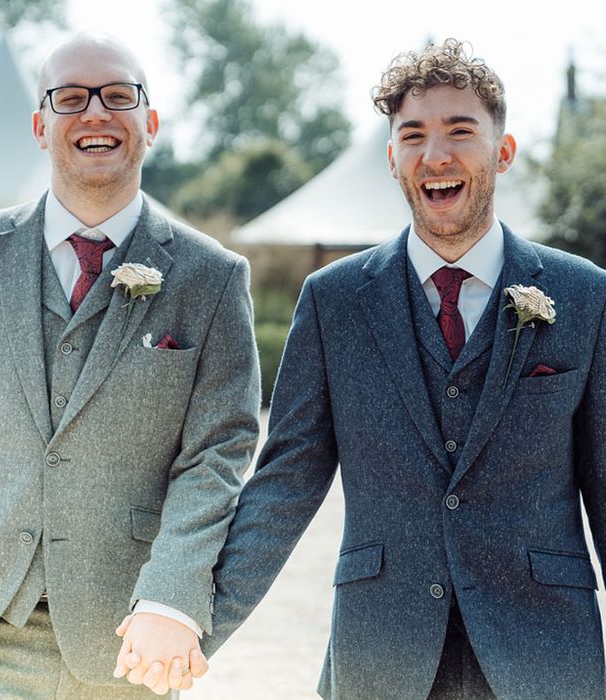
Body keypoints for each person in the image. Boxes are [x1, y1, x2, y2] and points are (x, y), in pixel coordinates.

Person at [201, 38, 606, 699]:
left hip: (546, 658)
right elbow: (286, 481)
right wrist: (197, 622)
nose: (434, 154)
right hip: (380, 655)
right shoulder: (333, 300)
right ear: (392, 159)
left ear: (502, 152)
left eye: (459, 131)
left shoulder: (584, 294)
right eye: (412, 135)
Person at [0, 32, 260, 699]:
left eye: (119, 95)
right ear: (39, 125)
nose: (95, 113)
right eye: (70, 97)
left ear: (151, 122)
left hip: (125, 645)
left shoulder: (213, 278)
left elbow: (219, 452)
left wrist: (172, 597)